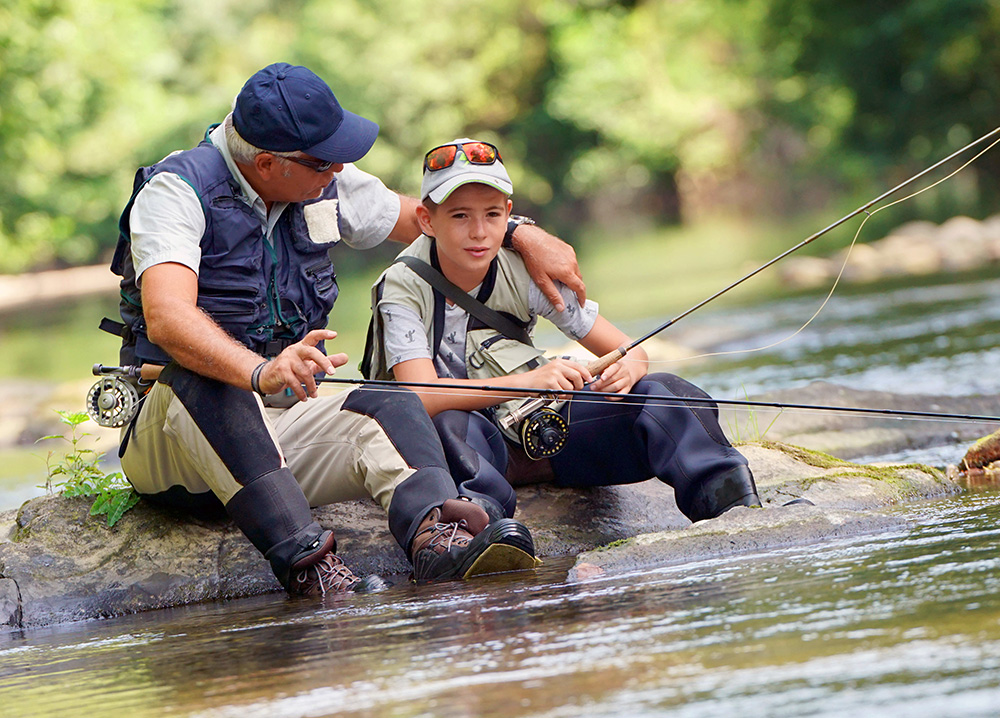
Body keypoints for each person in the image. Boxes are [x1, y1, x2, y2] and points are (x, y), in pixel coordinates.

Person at [107, 65, 580, 595]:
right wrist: (260, 371)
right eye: (325, 161)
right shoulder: (176, 192)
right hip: (175, 440)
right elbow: (168, 321)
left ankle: (438, 539)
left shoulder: (320, 179)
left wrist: (522, 233)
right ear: (267, 162)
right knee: (207, 381)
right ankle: (312, 569)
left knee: (389, 399)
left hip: (285, 428)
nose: (338, 170)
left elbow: (426, 221)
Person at [364, 138, 761, 526]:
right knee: (450, 422)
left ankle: (732, 503)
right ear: (426, 221)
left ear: (509, 214)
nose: (479, 232)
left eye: (492, 215)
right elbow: (420, 395)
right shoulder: (401, 284)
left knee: (666, 392)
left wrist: (631, 367)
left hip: (539, 436)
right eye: (460, 216)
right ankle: (481, 531)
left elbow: (627, 348)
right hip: (464, 446)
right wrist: (530, 382)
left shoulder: (523, 267)